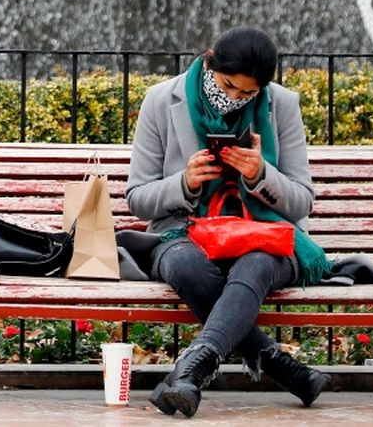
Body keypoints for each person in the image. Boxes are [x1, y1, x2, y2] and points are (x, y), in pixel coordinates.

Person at [125, 27, 330, 418]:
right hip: (183, 231)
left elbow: (303, 199)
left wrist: (260, 175)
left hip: (263, 233)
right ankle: (280, 366)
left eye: (247, 93)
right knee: (184, 265)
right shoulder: (162, 100)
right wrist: (184, 183)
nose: (235, 97)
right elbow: (137, 198)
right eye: (228, 85)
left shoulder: (282, 105)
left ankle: (191, 369)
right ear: (209, 61)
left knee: (255, 263)